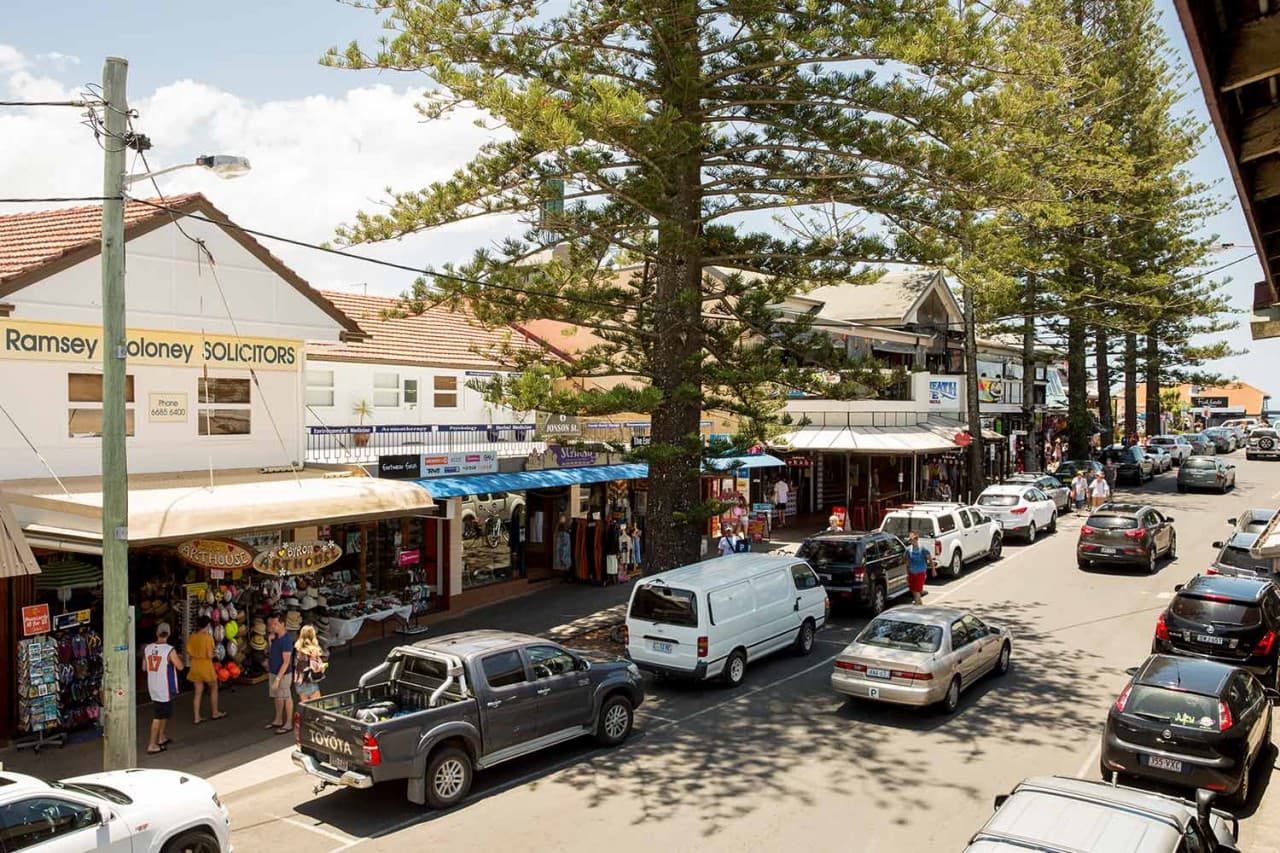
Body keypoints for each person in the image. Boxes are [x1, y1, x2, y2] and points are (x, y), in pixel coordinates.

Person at [143, 622, 185, 754]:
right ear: (169, 634)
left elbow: (144, 667)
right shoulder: (169, 650)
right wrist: (179, 658)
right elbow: (180, 667)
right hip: (164, 687)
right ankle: (152, 744)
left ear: (157, 633)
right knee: (158, 715)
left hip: (153, 685)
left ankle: (161, 737)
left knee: (164, 714)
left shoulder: (148, 648)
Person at [187, 615, 226, 724]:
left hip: (195, 666)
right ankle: (215, 712)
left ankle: (196, 717)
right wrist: (215, 653)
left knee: (198, 692)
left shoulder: (192, 636)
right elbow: (209, 655)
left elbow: (189, 651)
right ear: (207, 625)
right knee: (214, 687)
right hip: (206, 666)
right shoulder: (208, 637)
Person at [265, 614, 294, 734]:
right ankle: (278, 719)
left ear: (282, 624)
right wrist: (270, 642)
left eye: (275, 624)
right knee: (277, 696)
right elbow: (271, 653)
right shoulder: (275, 638)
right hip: (274, 671)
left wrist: (278, 679)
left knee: (286, 696)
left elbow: (286, 662)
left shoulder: (286, 640)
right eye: (272, 624)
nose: (273, 626)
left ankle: (289, 722)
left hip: (283, 674)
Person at [293, 624, 326, 705]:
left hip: (299, 681)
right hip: (309, 681)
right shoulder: (312, 650)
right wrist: (322, 667)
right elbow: (316, 668)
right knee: (317, 706)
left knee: (305, 707)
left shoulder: (298, 649)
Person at [906, 531, 936, 606]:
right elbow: (907, 563)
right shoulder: (908, 550)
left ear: (917, 539)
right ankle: (920, 605)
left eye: (913, 539)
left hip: (920, 573)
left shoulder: (923, 549)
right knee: (914, 591)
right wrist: (907, 574)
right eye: (910, 539)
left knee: (917, 591)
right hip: (912, 573)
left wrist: (933, 570)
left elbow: (930, 559)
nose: (911, 541)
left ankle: (917, 606)